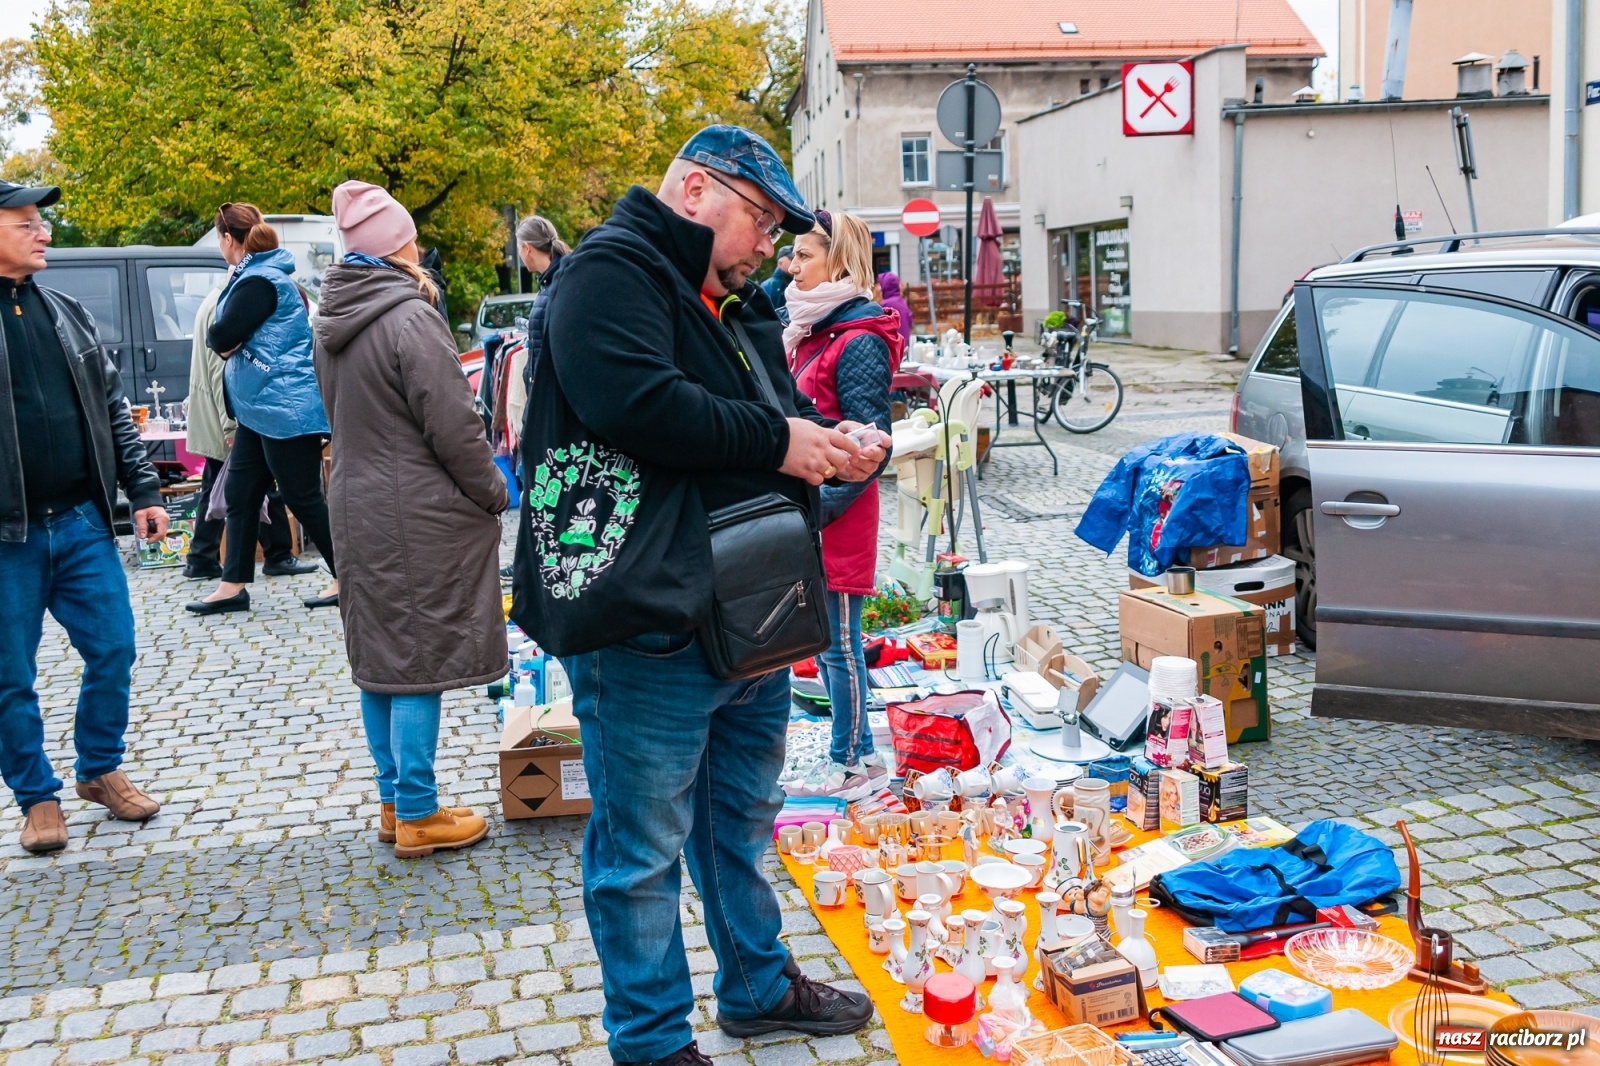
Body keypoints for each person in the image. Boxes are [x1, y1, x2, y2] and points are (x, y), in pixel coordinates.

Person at [513, 125, 887, 1066]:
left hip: (742, 608)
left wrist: (825, 436)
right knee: (639, 852)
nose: (770, 243)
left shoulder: (724, 295)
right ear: (694, 191)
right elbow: (636, 403)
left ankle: (756, 987)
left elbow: (764, 415)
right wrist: (781, 443)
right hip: (646, 615)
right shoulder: (611, 272)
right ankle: (648, 1041)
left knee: (737, 822)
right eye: (761, 220)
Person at [314, 180, 506, 858]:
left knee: (380, 658)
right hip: (411, 505)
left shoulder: (332, 318)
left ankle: (396, 802)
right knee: (416, 659)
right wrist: (491, 492)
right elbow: (452, 423)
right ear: (399, 243)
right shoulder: (409, 316)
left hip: (355, 497)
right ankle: (421, 813)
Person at [0, 179, 169, 854]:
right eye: (25, 224)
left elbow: (111, 413)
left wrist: (147, 491)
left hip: (80, 522)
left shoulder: (67, 312)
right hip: (7, 536)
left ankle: (99, 769)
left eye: (40, 222)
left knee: (114, 647)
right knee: (10, 675)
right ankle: (37, 798)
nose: (43, 234)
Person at [780, 210, 901, 801]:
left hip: (838, 515)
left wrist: (822, 506)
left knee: (840, 644)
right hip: (813, 511)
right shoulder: (811, 330)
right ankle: (845, 748)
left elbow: (869, 445)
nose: (791, 264)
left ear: (839, 260)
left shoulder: (854, 341)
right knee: (822, 642)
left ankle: (857, 758)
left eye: (804, 254)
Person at [187, 202, 338, 615]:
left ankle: (348, 576)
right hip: (261, 407)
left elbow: (220, 336)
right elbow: (228, 339)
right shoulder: (257, 277)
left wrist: (229, 340)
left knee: (302, 496)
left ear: (226, 239)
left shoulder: (259, 283)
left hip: (283, 407)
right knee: (240, 492)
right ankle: (233, 585)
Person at [183, 278, 317, 580]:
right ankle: (277, 555)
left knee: (230, 489)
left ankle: (208, 559)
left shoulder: (225, 300)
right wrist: (231, 428)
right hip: (235, 417)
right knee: (250, 488)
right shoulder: (235, 306)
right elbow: (224, 373)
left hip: (230, 415)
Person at [876, 270, 914, 347]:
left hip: (894, 346)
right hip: (904, 343)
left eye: (881, 284)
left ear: (886, 286)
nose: (879, 288)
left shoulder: (886, 304)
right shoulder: (901, 301)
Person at [761, 244, 794, 321]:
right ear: (780, 263)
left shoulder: (798, 282)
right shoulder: (769, 286)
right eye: (791, 259)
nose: (795, 262)